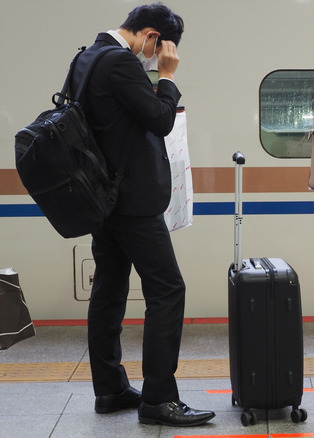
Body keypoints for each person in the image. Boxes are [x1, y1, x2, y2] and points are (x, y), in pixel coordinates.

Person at [70, 3, 215, 427]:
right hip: (131, 201)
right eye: (158, 49)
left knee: (110, 290)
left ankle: (111, 389)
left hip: (102, 199)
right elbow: (161, 119)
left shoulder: (86, 56)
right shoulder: (120, 62)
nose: (154, 57)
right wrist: (167, 78)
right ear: (151, 36)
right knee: (168, 290)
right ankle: (159, 400)